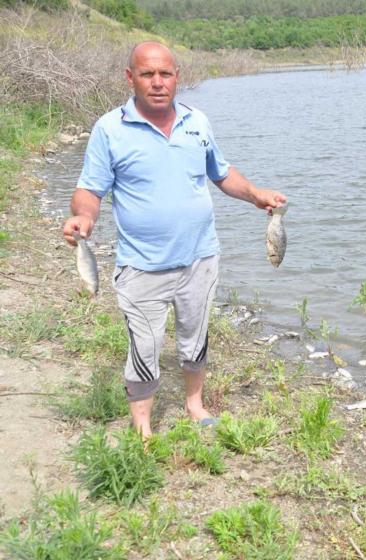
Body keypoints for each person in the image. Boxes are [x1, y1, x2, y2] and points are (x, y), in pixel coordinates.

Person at [61, 41, 286, 437]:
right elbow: (90, 191)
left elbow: (220, 172)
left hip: (200, 257)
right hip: (142, 265)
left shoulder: (197, 121)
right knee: (145, 347)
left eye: (165, 73)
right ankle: (143, 428)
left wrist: (255, 195)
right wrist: (83, 216)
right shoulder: (110, 129)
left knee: (194, 337)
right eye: (147, 74)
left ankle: (194, 404)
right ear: (130, 78)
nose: (158, 82)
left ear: (177, 76)